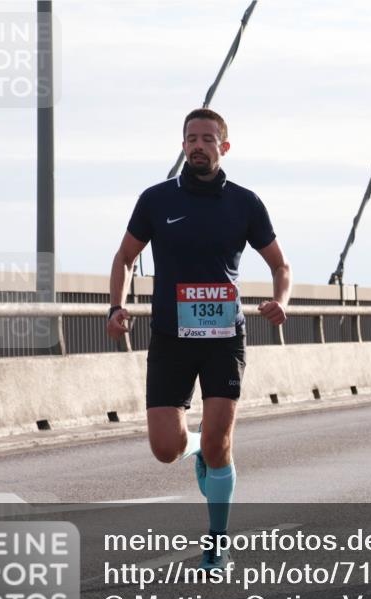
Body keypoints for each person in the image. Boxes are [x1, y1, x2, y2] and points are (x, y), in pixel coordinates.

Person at [106, 108, 291, 570]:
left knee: (220, 442)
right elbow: (125, 258)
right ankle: (196, 447)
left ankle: (218, 540)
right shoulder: (156, 200)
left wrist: (280, 301)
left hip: (224, 337)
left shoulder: (245, 203)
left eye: (208, 139)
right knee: (166, 449)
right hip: (170, 336)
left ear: (223, 148)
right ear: (183, 145)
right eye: (191, 138)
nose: (199, 146)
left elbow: (279, 266)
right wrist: (116, 305)